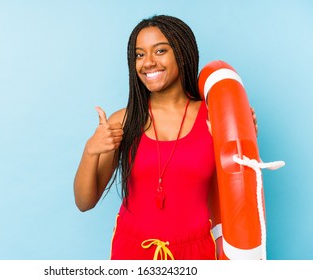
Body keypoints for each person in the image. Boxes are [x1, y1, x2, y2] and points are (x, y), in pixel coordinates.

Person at [73, 15, 257, 260]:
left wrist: (241, 133)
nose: (148, 62)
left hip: (196, 252)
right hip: (132, 251)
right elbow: (85, 202)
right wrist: (91, 150)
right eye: (139, 54)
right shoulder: (123, 121)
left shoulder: (213, 119)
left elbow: (239, 193)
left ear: (182, 53)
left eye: (160, 51)